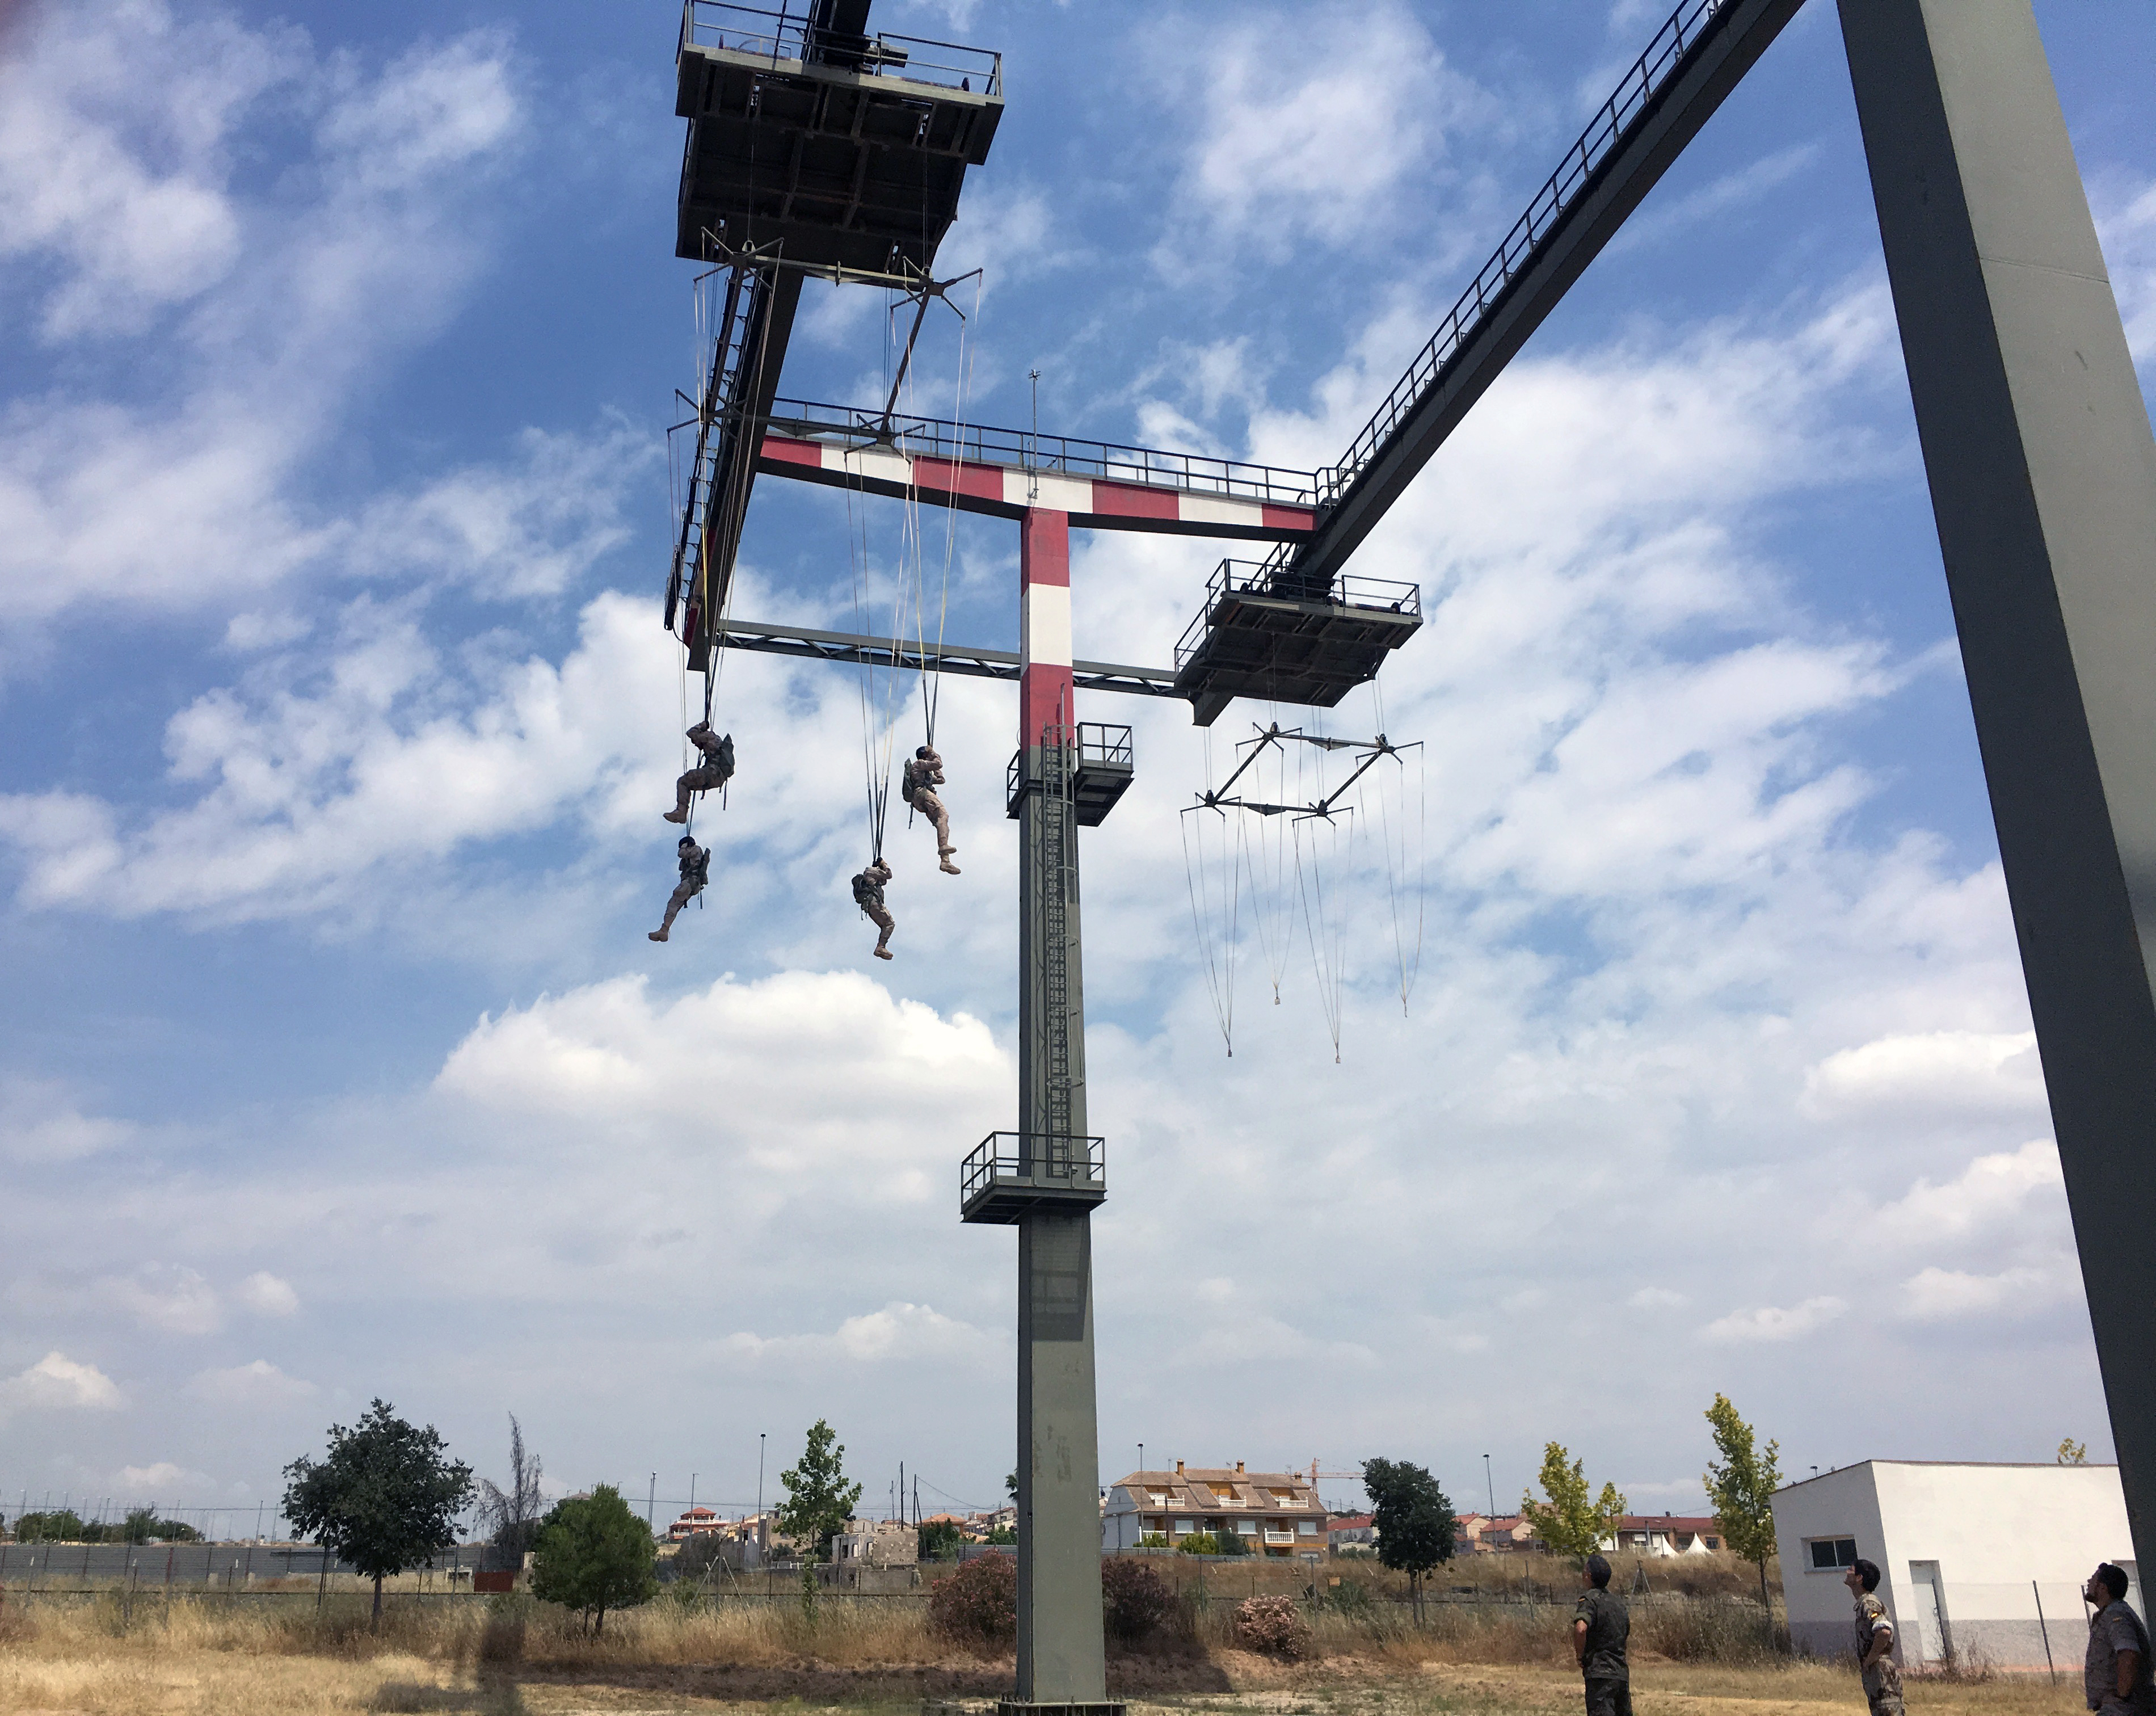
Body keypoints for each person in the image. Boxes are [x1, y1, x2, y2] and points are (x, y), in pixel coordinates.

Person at [2085, 1563, 2155, 1716]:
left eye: (2093, 1579)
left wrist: (2122, 1697)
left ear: (2103, 1588)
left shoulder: (2116, 1614)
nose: (2089, 1582)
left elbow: (2129, 1654)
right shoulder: (2110, 1613)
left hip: (2126, 1708)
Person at [1573, 1553, 1631, 1716]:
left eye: (1584, 1571)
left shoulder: (1590, 1600)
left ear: (1589, 1576)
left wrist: (1580, 1656)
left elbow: (1581, 1628)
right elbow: (1626, 1630)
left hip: (1600, 1674)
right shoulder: (1617, 1603)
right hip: (1620, 1672)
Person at [1845, 1558, 1903, 1716]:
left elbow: (1884, 1631)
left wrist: (1871, 1659)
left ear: (1859, 1578)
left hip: (1881, 1674)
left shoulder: (1869, 1603)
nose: (1846, 1572)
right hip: (1877, 1675)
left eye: (1850, 1569)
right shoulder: (1864, 1603)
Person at [900, 744, 961, 875]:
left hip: (921, 799)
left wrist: (934, 770)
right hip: (922, 794)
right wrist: (933, 752)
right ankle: (944, 848)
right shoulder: (919, 764)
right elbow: (939, 764)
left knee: (942, 823)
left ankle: (945, 861)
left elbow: (941, 780)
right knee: (943, 815)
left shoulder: (925, 773)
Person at [663, 722, 735, 823]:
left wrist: (702, 725)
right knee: (688, 785)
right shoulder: (717, 741)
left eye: (695, 742)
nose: (695, 744)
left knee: (683, 782)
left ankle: (681, 813)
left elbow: (691, 733)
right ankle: (682, 812)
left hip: (712, 773)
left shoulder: (708, 736)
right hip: (718, 779)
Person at [649, 834, 709, 942]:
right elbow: (681, 867)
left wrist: (684, 846)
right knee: (674, 906)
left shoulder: (696, 849)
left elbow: (681, 854)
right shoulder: (693, 855)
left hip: (690, 882)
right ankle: (664, 930)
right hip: (692, 884)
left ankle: (664, 930)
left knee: (673, 903)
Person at [852, 857, 895, 959]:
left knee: (885, 926)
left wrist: (880, 869)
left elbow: (883, 881)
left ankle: (881, 947)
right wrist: (883, 863)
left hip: (870, 907)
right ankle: (881, 947)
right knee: (890, 923)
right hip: (875, 904)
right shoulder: (869, 872)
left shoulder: (868, 878)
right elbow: (889, 875)